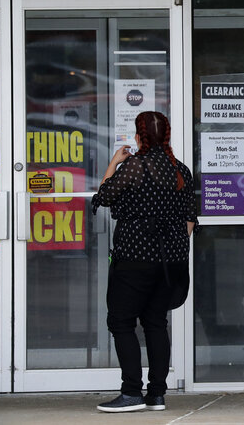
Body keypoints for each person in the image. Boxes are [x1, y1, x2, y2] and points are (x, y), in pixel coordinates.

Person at [90, 111, 196, 413]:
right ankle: (157, 394)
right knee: (155, 323)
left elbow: (104, 196)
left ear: (139, 137)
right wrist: (172, 247)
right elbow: (190, 221)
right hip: (171, 261)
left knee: (121, 321)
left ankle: (132, 393)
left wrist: (114, 162)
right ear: (167, 136)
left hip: (135, 258)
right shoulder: (181, 171)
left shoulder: (136, 166)